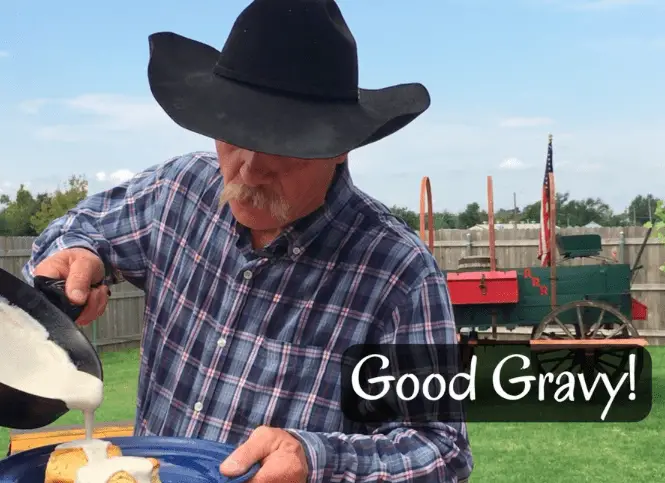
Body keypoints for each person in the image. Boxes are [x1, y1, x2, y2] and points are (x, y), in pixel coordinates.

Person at [23, 0, 473, 481]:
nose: (249, 170)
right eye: (234, 133)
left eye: (282, 143)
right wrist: (79, 253)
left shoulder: (399, 273)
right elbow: (80, 228)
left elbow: (440, 449)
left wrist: (315, 459)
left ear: (339, 147)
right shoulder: (178, 191)